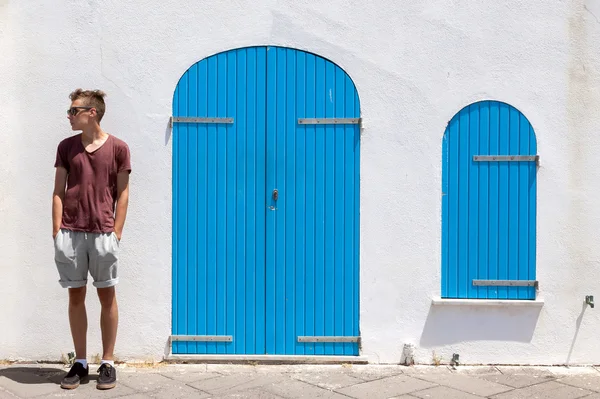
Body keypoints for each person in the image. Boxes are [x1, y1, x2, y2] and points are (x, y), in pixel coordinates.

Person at [52, 89, 131, 390]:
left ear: (91, 112)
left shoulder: (119, 148)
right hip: (71, 232)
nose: (69, 116)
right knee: (75, 297)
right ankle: (81, 362)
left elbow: (122, 192)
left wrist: (117, 230)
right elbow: (58, 190)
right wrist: (56, 230)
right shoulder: (66, 147)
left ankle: (107, 362)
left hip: (102, 233)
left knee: (107, 296)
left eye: (73, 111)